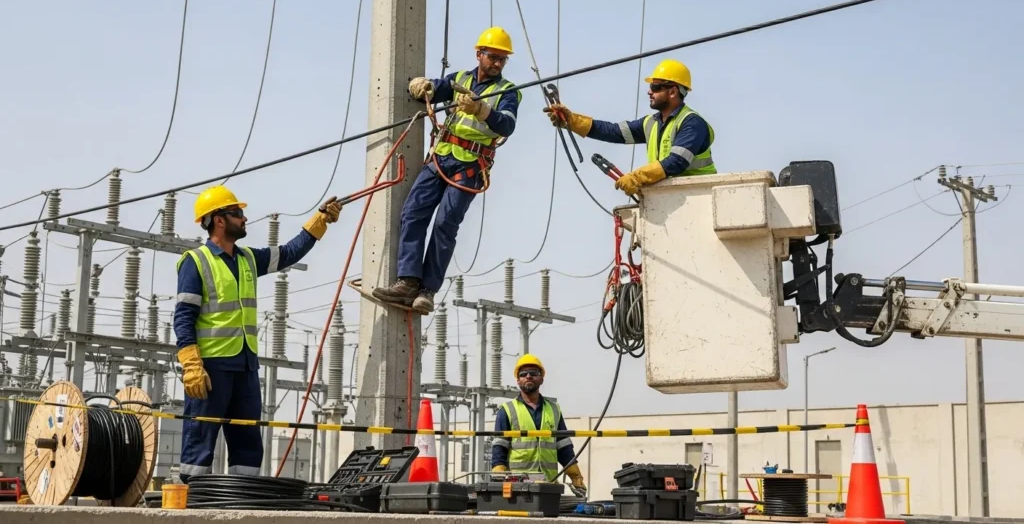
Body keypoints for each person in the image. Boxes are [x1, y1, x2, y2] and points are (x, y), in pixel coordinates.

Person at [174, 185, 341, 481]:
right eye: (237, 213)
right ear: (219, 220)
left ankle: (241, 503)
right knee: (200, 442)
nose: (244, 218)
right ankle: (191, 504)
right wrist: (190, 363)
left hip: (246, 365)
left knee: (248, 444)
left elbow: (289, 253)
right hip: (210, 368)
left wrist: (320, 221)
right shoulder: (196, 261)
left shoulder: (248, 258)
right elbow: (184, 316)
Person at [372, 27, 523, 315]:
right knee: (413, 212)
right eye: (493, 57)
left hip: (471, 164)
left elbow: (507, 125)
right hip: (441, 156)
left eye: (503, 59)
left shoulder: (508, 91)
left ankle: (427, 290)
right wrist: (422, 86)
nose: (498, 63)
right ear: (479, 54)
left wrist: (480, 110)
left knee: (445, 224)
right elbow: (433, 90)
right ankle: (407, 281)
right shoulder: (460, 80)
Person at [543, 58, 716, 196]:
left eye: (655, 87)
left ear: (673, 92)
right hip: (669, 197)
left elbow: (677, 161)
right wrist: (572, 121)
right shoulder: (651, 123)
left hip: (699, 196)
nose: (649, 91)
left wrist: (636, 177)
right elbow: (613, 132)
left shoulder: (691, 123)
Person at [491, 354, 587, 493]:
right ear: (518, 380)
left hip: (548, 484)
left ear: (541, 379)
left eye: (534, 373)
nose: (528, 376)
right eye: (523, 374)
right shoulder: (507, 410)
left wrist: (576, 477)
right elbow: (500, 447)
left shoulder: (554, 410)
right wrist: (499, 477)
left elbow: (563, 447)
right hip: (518, 485)